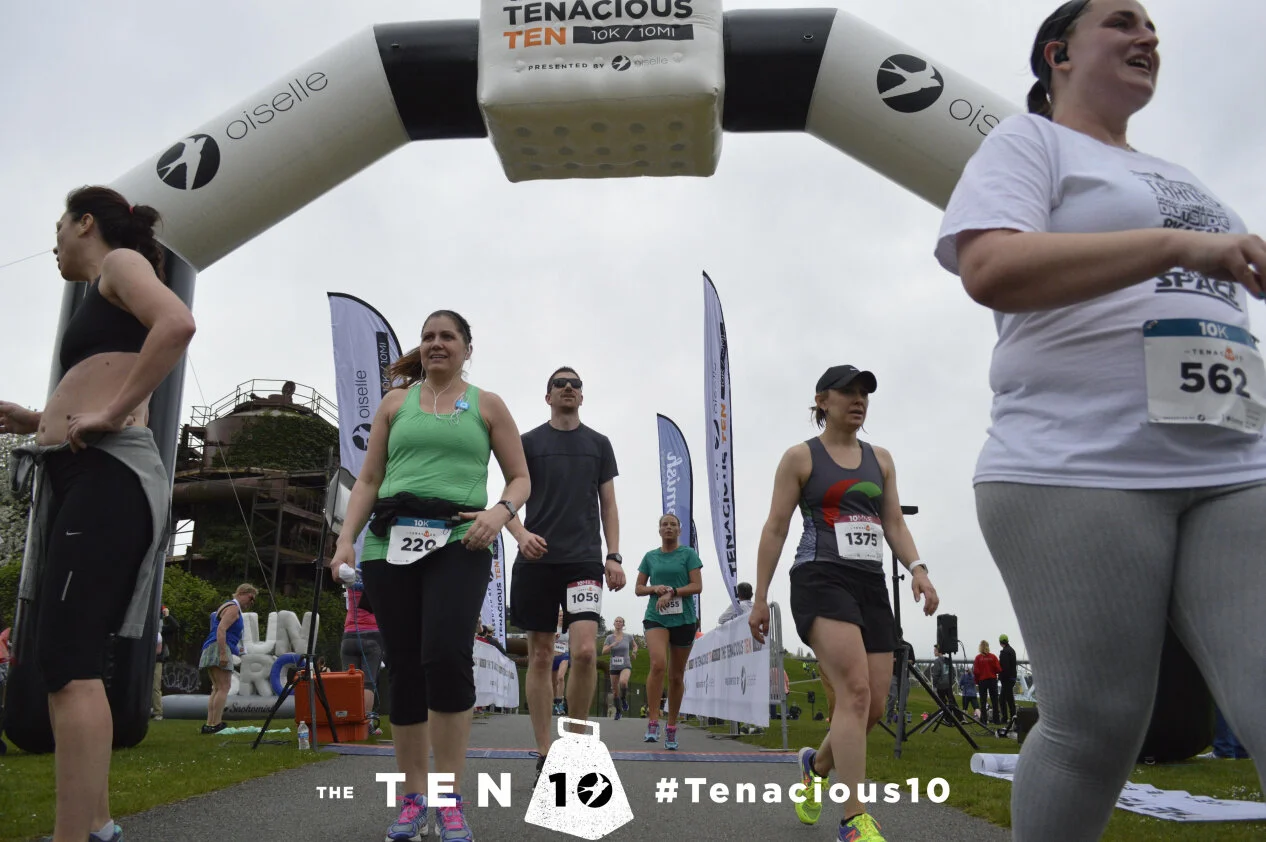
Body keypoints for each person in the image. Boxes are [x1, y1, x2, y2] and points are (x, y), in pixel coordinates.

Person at [934, 1, 1266, 836]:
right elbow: (990, 266)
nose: (1148, 37)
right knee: (1098, 727)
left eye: (1152, 27)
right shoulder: (1028, 142)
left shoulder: (1181, 175)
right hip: (1078, 465)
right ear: (1059, 54)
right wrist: (1177, 246)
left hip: (1236, 461)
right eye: (1122, 22)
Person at [0, 186, 195, 842]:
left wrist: (109, 413)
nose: (54, 241)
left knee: (67, 659)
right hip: (85, 475)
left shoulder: (119, 263)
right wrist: (37, 419)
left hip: (109, 475)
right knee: (70, 658)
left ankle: (74, 836)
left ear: (85, 222)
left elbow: (177, 324)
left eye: (59, 225)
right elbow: (113, 370)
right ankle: (96, 826)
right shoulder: (103, 289)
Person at [328, 309, 530, 842]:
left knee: (444, 654)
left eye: (447, 336)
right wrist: (346, 538)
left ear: (467, 348)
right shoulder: (395, 404)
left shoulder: (487, 405)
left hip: (460, 539)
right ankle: (413, 799)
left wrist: (500, 513)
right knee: (404, 665)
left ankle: (448, 798)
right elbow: (369, 479)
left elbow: (520, 477)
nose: (436, 343)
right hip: (388, 541)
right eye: (428, 337)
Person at [749, 365, 939, 842]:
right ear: (822, 400)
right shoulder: (800, 457)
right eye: (848, 392)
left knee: (871, 705)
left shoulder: (882, 460)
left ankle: (815, 766)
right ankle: (854, 819)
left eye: (864, 394)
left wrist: (918, 569)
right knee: (853, 691)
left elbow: (894, 523)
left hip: (870, 584)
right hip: (820, 576)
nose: (859, 401)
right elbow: (776, 526)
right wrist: (760, 597)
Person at [506, 366, 625, 780]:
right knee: (541, 655)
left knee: (586, 652)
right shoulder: (527, 443)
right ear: (548, 396)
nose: (569, 388)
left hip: (583, 561)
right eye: (561, 384)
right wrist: (520, 534)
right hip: (536, 560)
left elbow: (609, 504)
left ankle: (573, 747)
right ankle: (545, 752)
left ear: (582, 396)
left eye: (576, 384)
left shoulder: (599, 444)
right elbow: (508, 501)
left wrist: (614, 555)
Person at [636, 513, 703, 749]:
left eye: (673, 525)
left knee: (676, 676)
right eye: (664, 524)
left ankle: (672, 726)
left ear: (679, 530)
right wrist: (654, 588)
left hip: (684, 619)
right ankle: (653, 721)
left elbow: (697, 586)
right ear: (659, 530)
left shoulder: (688, 554)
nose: (668, 528)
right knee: (658, 664)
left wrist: (673, 591)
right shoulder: (650, 557)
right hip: (656, 617)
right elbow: (639, 588)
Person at [199, 583, 258, 734]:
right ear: (243, 593)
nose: (251, 603)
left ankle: (210, 724)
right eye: (251, 598)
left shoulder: (226, 606)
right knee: (224, 687)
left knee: (217, 688)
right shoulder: (233, 608)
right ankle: (216, 723)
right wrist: (223, 653)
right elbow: (221, 629)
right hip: (219, 647)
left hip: (211, 647)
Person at [341, 568, 384, 736]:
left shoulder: (351, 577)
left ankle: (349, 723)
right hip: (372, 634)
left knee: (349, 683)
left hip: (349, 634)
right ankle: (366, 725)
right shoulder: (377, 578)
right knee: (368, 683)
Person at [603, 616, 637, 720]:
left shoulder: (628, 636)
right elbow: (603, 652)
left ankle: (623, 699)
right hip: (614, 666)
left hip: (625, 665)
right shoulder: (609, 638)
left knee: (623, 682)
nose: (618, 622)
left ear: (623, 624)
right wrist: (611, 646)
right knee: (615, 691)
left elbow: (635, 646)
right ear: (614, 624)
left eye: (620, 621)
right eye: (616, 621)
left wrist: (634, 652)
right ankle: (618, 712)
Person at [884, 639, 917, 725]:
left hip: (905, 676)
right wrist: (894, 660)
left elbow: (912, 661)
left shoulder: (908, 646)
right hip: (893, 675)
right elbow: (886, 659)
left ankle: (901, 720)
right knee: (892, 697)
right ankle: (888, 719)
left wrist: (902, 660)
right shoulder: (891, 644)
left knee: (903, 700)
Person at [973, 640, 1002, 726]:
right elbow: (998, 669)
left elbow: (976, 671)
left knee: (983, 701)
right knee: (994, 700)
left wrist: (977, 681)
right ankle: (996, 720)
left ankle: (984, 720)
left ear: (980, 647)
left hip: (982, 681)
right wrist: (993, 671)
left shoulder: (978, 658)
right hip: (992, 680)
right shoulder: (993, 657)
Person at [551, 608, 570, 715]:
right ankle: (555, 704)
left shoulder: (568, 629)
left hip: (564, 655)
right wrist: (553, 638)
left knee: (561, 678)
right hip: (553, 657)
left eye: (563, 616)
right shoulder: (552, 628)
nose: (562, 617)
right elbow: (546, 642)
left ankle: (560, 703)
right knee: (553, 683)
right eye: (560, 616)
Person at [929, 646, 957, 712]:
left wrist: (935, 684)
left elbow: (936, 674)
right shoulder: (948, 660)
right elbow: (953, 672)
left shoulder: (937, 661)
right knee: (952, 702)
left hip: (940, 685)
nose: (934, 652)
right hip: (948, 684)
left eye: (935, 650)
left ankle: (946, 716)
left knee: (942, 703)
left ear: (938, 651)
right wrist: (951, 681)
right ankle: (959, 716)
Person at [998, 634, 1018, 726]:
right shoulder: (1012, 650)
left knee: (1005, 699)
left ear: (1000, 642)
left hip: (1006, 679)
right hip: (1012, 677)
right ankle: (1012, 717)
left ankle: (1007, 718)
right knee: (1007, 698)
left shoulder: (1004, 652)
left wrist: (1000, 677)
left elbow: (1004, 667)